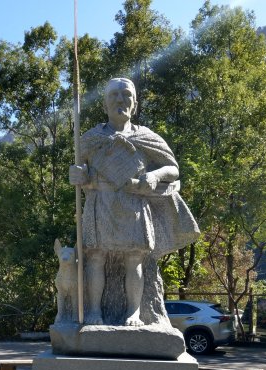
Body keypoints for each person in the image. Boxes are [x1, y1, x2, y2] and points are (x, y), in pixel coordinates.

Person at [69, 77, 199, 326]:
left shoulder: (146, 137)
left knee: (134, 259)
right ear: (105, 105)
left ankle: (134, 313)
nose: (120, 99)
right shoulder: (90, 138)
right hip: (100, 204)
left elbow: (172, 168)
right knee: (95, 256)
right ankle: (94, 312)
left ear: (135, 104)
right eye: (113, 95)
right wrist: (76, 174)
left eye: (126, 94)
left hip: (134, 205)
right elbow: (78, 167)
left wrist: (154, 175)